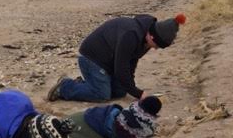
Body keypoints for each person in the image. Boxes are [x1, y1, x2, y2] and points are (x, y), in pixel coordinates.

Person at [47, 14, 186, 103]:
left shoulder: (146, 38)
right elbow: (121, 68)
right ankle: (65, 87)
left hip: (109, 62)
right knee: (102, 95)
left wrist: (132, 88)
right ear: (152, 36)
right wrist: (139, 94)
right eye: (156, 45)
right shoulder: (131, 35)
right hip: (91, 58)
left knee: (120, 92)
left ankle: (85, 85)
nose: (155, 48)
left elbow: (131, 62)